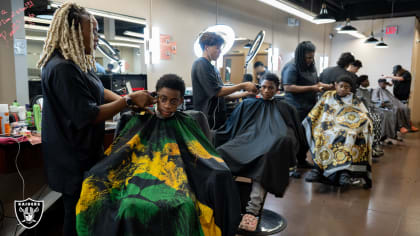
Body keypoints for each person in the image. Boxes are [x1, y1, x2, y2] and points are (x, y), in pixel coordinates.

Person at [37, 3, 156, 236]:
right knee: (77, 212)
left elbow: (100, 93)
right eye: (92, 31)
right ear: (73, 31)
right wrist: (128, 101)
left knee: (89, 210)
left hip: (85, 152)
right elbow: (88, 115)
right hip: (71, 158)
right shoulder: (61, 68)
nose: (97, 38)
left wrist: (130, 101)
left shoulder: (78, 65)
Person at [76, 74, 241, 236]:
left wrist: (219, 171)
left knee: (186, 204)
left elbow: (203, 154)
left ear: (181, 101)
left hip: (180, 179)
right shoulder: (138, 119)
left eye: (173, 101)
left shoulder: (189, 122)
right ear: (155, 97)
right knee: (126, 202)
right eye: (163, 99)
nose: (168, 105)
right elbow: (120, 153)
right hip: (138, 175)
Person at [215, 73, 307, 231]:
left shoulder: (285, 108)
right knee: (220, 153)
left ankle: (252, 211)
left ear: (277, 90)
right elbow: (231, 128)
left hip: (269, 148)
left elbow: (293, 134)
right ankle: (225, 205)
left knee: (266, 161)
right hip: (246, 142)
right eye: (263, 87)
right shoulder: (248, 104)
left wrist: (282, 143)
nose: (266, 91)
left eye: (270, 88)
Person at [303, 75, 373, 188]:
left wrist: (359, 124)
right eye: (341, 86)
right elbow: (316, 111)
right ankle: (318, 169)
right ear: (336, 85)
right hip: (328, 125)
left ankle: (344, 172)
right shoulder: (327, 95)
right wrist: (310, 120)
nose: (343, 89)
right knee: (323, 134)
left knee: (347, 135)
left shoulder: (354, 99)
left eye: (347, 87)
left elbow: (364, 115)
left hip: (350, 128)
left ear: (350, 89)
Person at [191, 32, 257, 129]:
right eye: (217, 48)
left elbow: (224, 96)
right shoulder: (201, 64)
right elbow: (217, 92)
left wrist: (247, 93)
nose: (220, 51)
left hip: (218, 118)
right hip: (207, 120)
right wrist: (243, 85)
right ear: (206, 47)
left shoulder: (213, 68)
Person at [281, 41, 328, 169]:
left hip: (310, 107)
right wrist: (312, 88)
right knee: (296, 137)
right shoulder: (292, 67)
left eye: (312, 57)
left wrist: (328, 86)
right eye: (308, 57)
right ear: (300, 56)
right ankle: (290, 165)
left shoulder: (311, 66)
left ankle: (301, 160)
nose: (310, 60)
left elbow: (317, 83)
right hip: (295, 108)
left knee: (307, 135)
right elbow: (288, 87)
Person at [356, 75, 394, 157]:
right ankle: (376, 142)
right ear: (361, 82)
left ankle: (384, 135)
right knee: (378, 117)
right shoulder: (358, 91)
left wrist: (379, 104)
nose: (368, 82)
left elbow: (371, 102)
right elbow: (362, 104)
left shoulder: (367, 91)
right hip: (365, 110)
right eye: (366, 81)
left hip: (372, 107)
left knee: (388, 113)